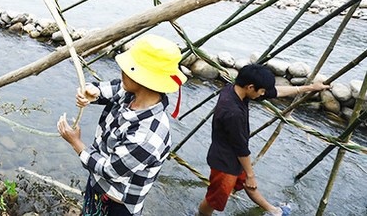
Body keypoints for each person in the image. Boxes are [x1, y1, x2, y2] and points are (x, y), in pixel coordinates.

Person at [57, 34, 187, 216]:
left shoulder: (149, 136)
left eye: (129, 69)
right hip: (98, 187)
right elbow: (108, 89)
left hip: (118, 206)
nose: (122, 71)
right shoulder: (131, 94)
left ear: (143, 79)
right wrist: (91, 91)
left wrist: (76, 143)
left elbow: (110, 170)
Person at [196, 63, 330, 216]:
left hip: (230, 156)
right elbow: (241, 149)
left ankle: (274, 211)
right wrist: (251, 174)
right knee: (214, 200)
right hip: (225, 163)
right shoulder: (233, 112)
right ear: (250, 87)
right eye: (261, 91)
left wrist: (310, 88)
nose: (262, 95)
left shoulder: (234, 90)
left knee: (249, 186)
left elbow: (276, 92)